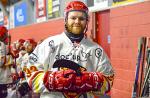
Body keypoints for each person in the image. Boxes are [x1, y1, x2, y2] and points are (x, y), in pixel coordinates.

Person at [22, 1, 114, 98]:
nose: (77, 21)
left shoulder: (96, 50)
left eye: (81, 18)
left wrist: (91, 80)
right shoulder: (48, 45)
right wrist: (51, 80)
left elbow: (109, 79)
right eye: (73, 18)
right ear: (65, 20)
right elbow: (30, 73)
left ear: (87, 21)